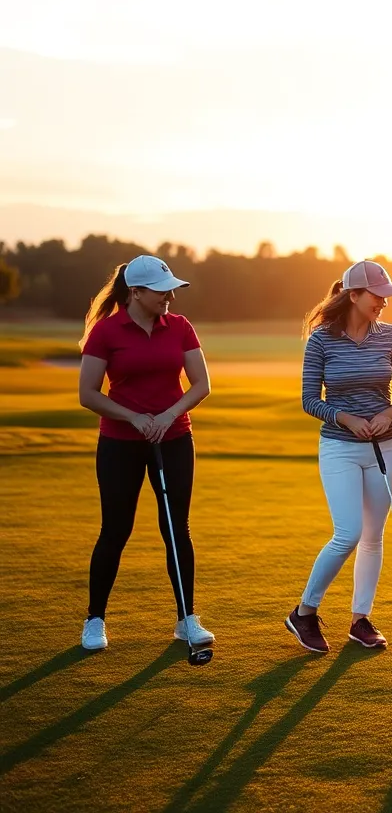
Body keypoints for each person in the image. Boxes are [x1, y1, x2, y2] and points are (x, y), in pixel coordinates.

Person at [78, 255, 213, 652]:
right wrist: (136, 418)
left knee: (176, 529)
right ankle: (95, 618)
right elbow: (88, 394)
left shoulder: (181, 327)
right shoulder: (106, 332)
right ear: (135, 292)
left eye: (171, 288)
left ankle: (187, 619)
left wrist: (167, 415)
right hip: (120, 443)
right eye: (161, 290)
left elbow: (201, 384)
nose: (170, 296)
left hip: (174, 439)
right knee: (115, 530)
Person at [285, 260, 392, 653]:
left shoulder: (390, 337)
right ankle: (304, 612)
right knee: (348, 532)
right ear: (354, 295)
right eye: (378, 296)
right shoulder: (321, 340)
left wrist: (388, 412)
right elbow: (310, 400)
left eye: (386, 296)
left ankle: (360, 619)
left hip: (387, 446)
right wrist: (343, 416)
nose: (384, 303)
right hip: (340, 447)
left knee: (374, 536)